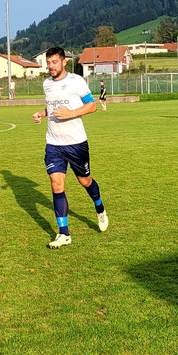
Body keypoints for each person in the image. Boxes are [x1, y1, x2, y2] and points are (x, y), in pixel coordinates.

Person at [32, 47, 108, 248]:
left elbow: (92, 105)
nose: (50, 66)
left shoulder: (76, 81)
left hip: (76, 143)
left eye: (54, 62)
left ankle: (99, 207)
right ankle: (64, 233)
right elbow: (52, 107)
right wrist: (41, 114)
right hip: (53, 144)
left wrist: (71, 113)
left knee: (85, 181)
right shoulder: (47, 84)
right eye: (48, 63)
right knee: (56, 185)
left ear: (64, 62)